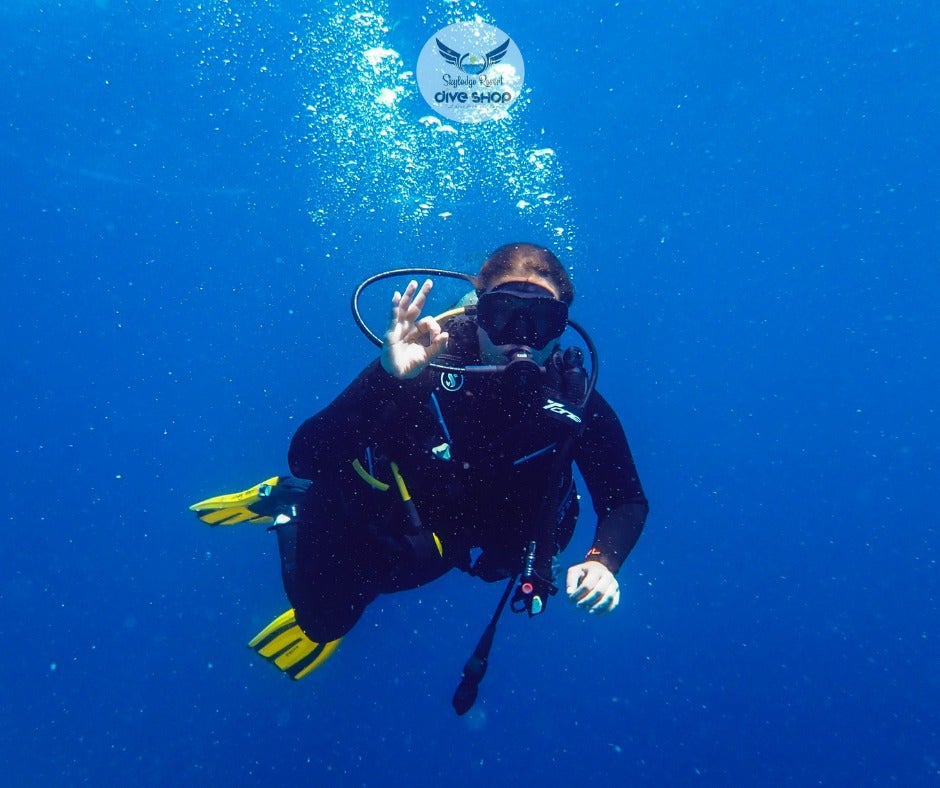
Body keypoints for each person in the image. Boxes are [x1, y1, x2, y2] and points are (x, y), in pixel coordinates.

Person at [191, 242, 649, 700]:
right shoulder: (429, 363)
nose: (520, 336)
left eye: (541, 320)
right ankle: (289, 501)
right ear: (478, 312)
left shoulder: (576, 401)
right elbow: (308, 455)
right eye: (503, 314)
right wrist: (388, 376)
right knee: (322, 619)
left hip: (453, 537)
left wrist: (603, 561)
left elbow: (625, 497)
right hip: (386, 501)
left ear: (563, 325)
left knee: (356, 597)